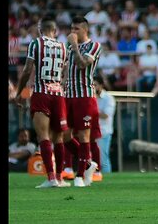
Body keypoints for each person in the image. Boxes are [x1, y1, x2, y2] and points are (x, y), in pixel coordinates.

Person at [14, 16, 70, 188]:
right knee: (59, 137)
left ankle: (51, 177)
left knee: (43, 136)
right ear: (55, 31)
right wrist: (61, 86)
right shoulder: (62, 46)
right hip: (58, 93)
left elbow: (27, 70)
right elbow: (66, 70)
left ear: (40, 30)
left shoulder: (36, 44)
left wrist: (19, 93)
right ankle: (60, 178)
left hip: (41, 93)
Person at [63, 16, 101, 187]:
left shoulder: (94, 46)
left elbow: (82, 64)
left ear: (85, 30)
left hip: (85, 96)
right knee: (63, 136)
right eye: (71, 29)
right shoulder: (69, 48)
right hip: (68, 95)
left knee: (84, 136)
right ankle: (87, 164)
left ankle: (80, 175)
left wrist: (74, 46)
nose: (73, 32)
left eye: (76, 29)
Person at [94, 76, 116, 176]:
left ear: (101, 85)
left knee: (103, 158)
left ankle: (107, 178)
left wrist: (92, 110)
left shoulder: (108, 98)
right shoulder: (91, 96)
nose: (94, 87)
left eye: (96, 85)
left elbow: (106, 115)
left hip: (104, 131)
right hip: (93, 130)